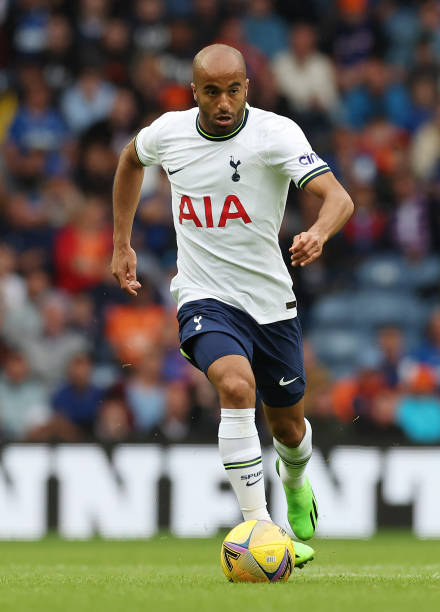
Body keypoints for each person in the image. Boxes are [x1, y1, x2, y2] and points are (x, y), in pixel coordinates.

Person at [111, 44, 353, 566]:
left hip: (270, 303)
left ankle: (295, 482)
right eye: (212, 92)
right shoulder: (168, 133)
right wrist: (121, 242)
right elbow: (131, 159)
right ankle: (260, 526)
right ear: (193, 91)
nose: (224, 102)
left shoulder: (276, 134)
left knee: (289, 429)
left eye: (234, 89)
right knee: (236, 384)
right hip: (204, 295)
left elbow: (340, 198)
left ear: (248, 86)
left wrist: (318, 232)